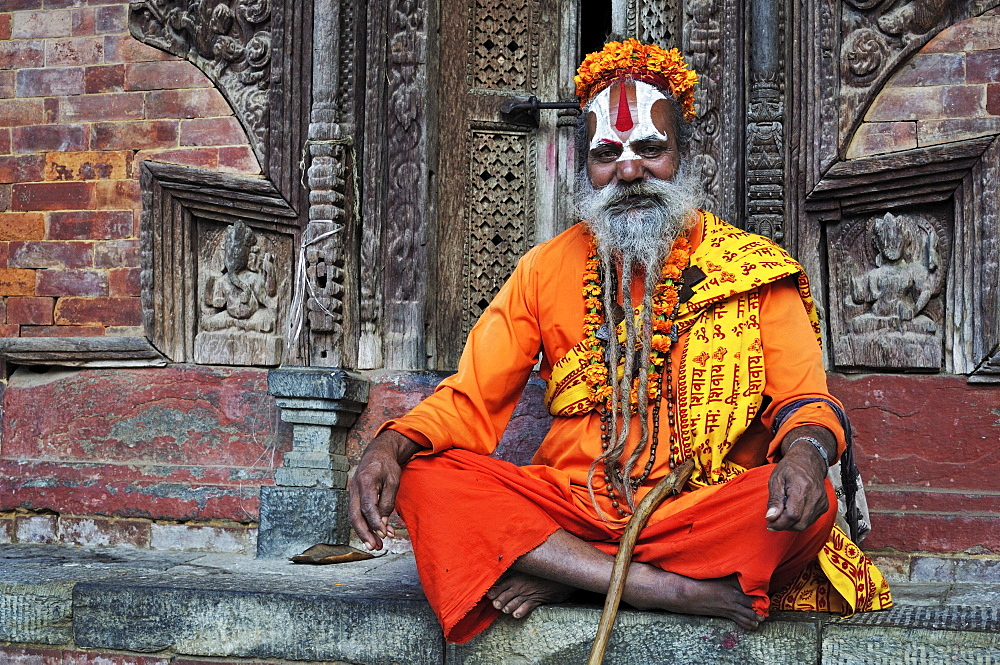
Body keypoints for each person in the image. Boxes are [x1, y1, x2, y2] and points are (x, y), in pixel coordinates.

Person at [349, 40, 891, 645]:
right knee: (427, 478)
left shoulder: (754, 269)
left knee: (804, 513)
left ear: (684, 157)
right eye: (607, 154)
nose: (629, 171)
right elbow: (470, 401)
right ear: (586, 166)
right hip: (573, 508)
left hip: (695, 513)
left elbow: (806, 403)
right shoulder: (544, 270)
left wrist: (806, 456)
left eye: (651, 150)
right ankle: (656, 587)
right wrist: (389, 447)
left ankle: (567, 573)